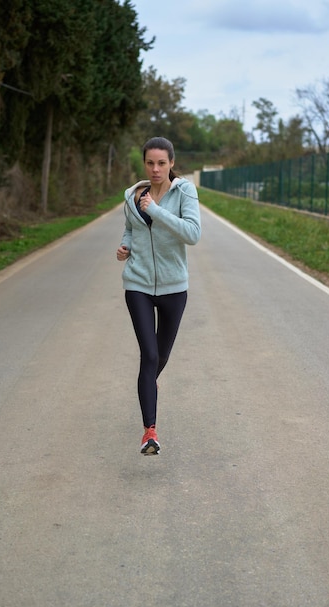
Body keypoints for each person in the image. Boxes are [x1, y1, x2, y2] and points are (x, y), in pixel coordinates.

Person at [116, 137, 201, 455]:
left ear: (172, 164)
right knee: (149, 356)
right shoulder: (132, 195)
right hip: (137, 283)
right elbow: (129, 229)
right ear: (144, 164)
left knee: (161, 358)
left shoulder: (185, 192)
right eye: (150, 163)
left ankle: (148, 383)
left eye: (161, 163)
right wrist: (125, 247)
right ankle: (149, 432)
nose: (155, 169)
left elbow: (192, 234)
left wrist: (156, 211)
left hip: (173, 288)